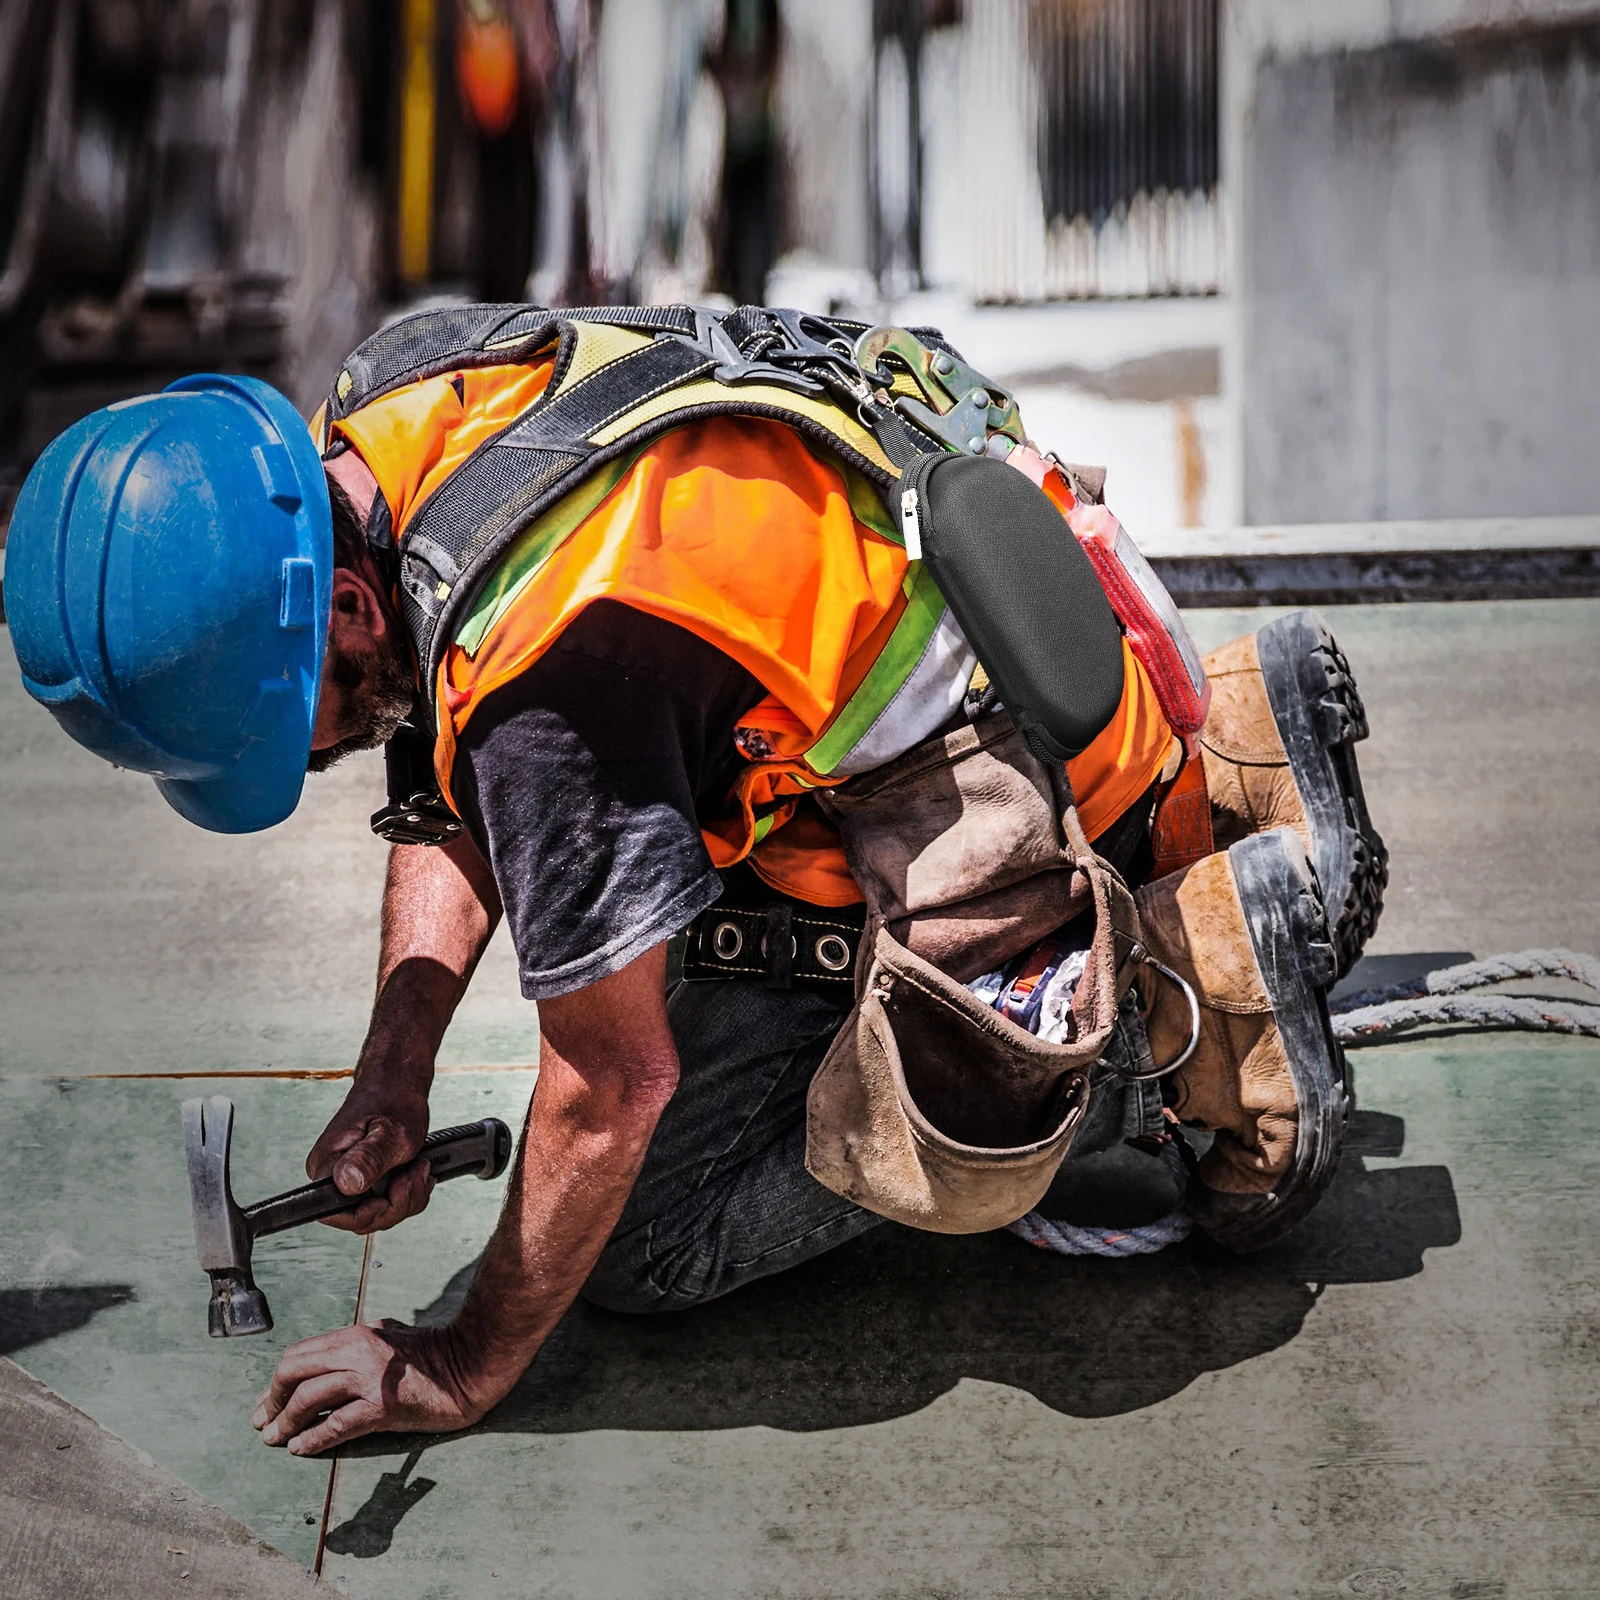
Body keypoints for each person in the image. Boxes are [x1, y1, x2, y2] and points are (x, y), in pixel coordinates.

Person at [5, 303, 1385, 1454]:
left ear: (349, 606)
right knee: (638, 916)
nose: (310, 763)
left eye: (290, 732)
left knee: (645, 1242)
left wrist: (462, 1361)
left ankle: (1183, 1013)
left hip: (1006, 785)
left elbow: (611, 1087)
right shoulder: (388, 409)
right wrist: (394, 1070)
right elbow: (443, 756)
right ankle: (1238, 744)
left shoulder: (553, 681)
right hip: (1000, 608)